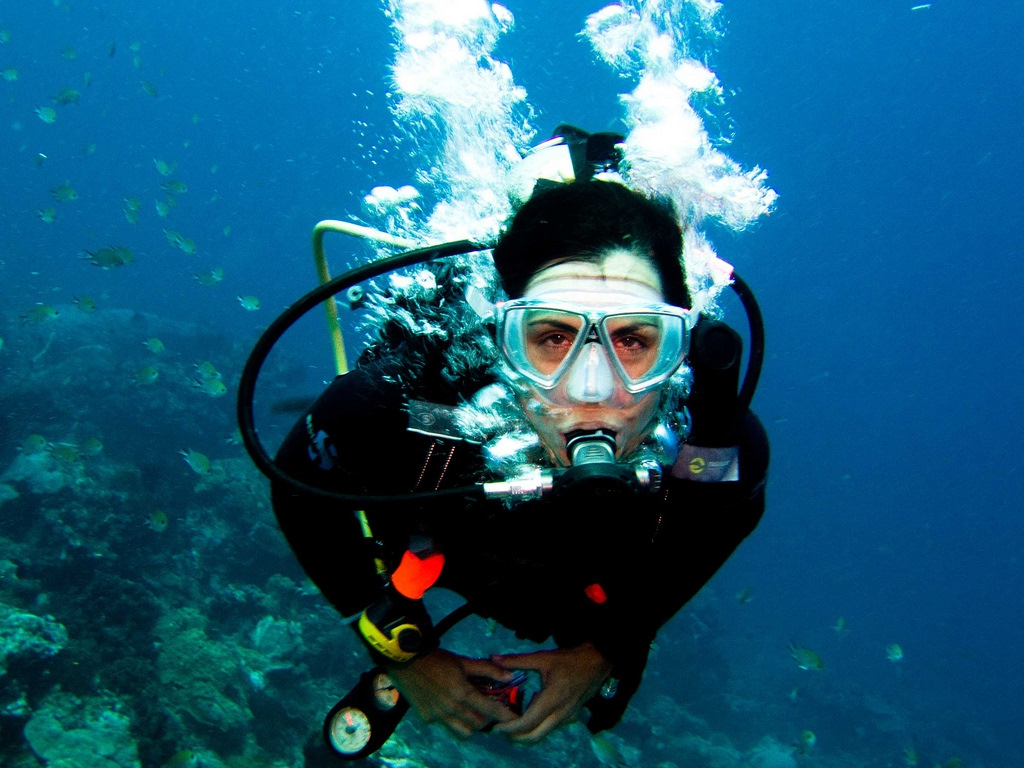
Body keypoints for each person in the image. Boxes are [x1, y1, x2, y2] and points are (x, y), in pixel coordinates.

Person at [271, 156, 769, 748]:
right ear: (503, 342)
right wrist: (402, 649)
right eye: (552, 338)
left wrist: (608, 647)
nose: (592, 390)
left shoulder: (706, 446)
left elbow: (723, 519)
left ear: (678, 351)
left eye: (634, 340)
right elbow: (299, 487)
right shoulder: (389, 411)